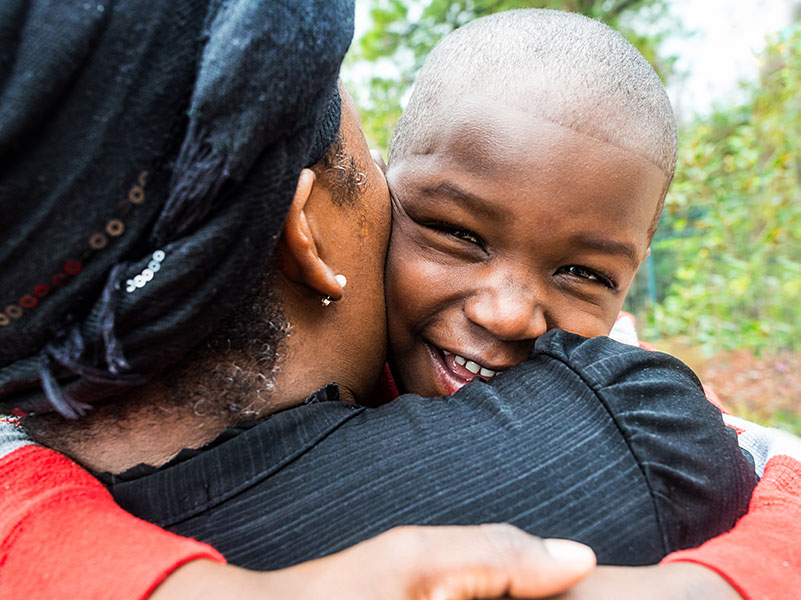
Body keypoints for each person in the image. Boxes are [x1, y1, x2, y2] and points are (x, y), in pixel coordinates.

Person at [0, 4, 783, 599]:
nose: (508, 313)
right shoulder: (633, 429)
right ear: (306, 226)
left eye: (584, 274)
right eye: (454, 233)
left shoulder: (60, 445)